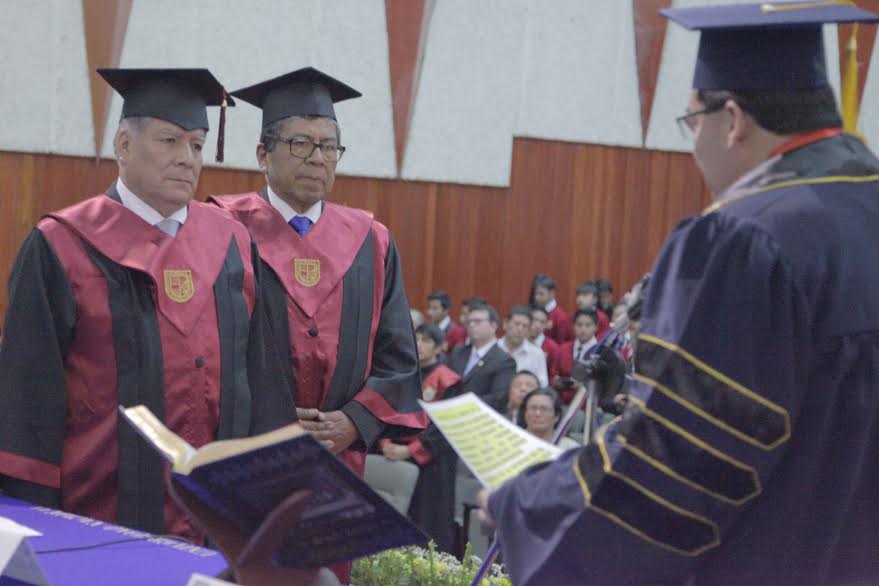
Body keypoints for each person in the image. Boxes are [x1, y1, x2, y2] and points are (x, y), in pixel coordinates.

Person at [479, 3, 879, 584]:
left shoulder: (746, 242)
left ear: (733, 119)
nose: (694, 143)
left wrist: (525, 503)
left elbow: (672, 473)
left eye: (691, 121)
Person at [0, 69, 292, 542]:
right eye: (169, 140)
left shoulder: (233, 243)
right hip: (94, 522)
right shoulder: (62, 245)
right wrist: (33, 533)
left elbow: (261, 380)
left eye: (197, 146)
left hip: (218, 523)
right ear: (123, 144)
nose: (186, 159)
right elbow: (28, 404)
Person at [210, 67, 426, 477]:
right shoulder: (223, 229)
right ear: (262, 155)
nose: (317, 158)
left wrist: (355, 422)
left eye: (329, 147)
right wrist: (269, 421)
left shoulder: (371, 241)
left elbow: (399, 360)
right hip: (248, 455)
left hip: (338, 461)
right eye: (300, 144)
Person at [380, 322, 461, 553]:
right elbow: (387, 409)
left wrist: (411, 450)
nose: (419, 344)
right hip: (394, 451)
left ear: (438, 348)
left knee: (428, 522)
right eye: (416, 339)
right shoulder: (402, 373)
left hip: (431, 459)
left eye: (426, 340)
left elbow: (444, 427)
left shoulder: (448, 380)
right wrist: (386, 443)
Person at [446, 303, 516, 413]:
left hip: (481, 417)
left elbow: (498, 398)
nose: (472, 325)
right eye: (469, 322)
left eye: (477, 321)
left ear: (493, 326)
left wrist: (462, 405)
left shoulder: (504, 361)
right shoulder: (458, 352)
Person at [553, 308, 598, 404]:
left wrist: (582, 386)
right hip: (562, 402)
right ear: (573, 326)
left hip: (589, 403)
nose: (583, 329)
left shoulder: (601, 352)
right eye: (579, 325)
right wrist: (557, 381)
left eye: (588, 325)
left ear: (596, 327)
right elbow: (553, 374)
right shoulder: (563, 349)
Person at [496, 305, 549, 386]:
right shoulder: (493, 348)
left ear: (529, 330)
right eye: (517, 324)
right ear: (505, 324)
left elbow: (542, 385)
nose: (520, 329)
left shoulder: (537, 354)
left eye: (525, 326)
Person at [532, 275, 573, 343]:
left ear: (552, 293)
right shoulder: (534, 310)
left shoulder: (560, 316)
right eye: (535, 294)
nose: (536, 297)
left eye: (541, 294)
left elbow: (561, 342)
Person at [528, 305, 560, 381]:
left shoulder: (552, 347)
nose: (538, 325)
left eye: (542, 322)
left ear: (547, 325)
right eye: (534, 320)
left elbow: (552, 376)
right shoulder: (519, 340)